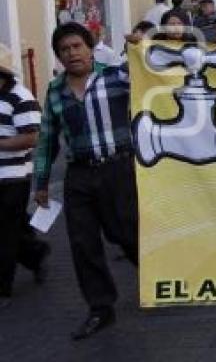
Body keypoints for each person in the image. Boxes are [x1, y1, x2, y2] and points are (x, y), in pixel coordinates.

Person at [33, 23, 139, 340]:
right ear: (59, 56)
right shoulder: (55, 90)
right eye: (64, 49)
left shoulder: (117, 76)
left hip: (118, 170)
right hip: (78, 175)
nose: (72, 53)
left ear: (90, 47)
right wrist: (40, 183)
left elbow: (156, 73)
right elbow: (47, 139)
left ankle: (159, 281)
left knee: (127, 234)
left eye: (77, 46)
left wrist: (142, 48)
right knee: (82, 244)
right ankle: (100, 309)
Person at [0, 44, 49, 309]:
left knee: (5, 232)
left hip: (14, 176)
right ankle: (35, 254)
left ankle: (3, 288)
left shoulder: (21, 97)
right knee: (10, 230)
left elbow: (32, 137)